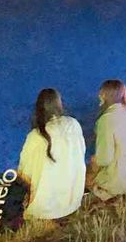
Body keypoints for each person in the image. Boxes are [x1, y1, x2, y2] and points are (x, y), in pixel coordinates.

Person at [17, 88, 86, 220]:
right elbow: (81, 152)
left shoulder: (36, 136)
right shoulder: (74, 124)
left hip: (44, 210)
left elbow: (24, 173)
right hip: (72, 201)